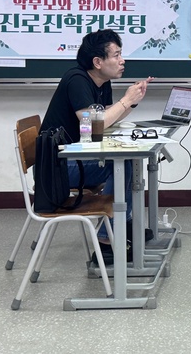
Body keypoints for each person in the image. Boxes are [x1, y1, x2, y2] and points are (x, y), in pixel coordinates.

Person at [40, 28, 154, 264]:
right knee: (120, 165)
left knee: (127, 162)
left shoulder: (102, 81)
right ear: (97, 62)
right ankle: (107, 240)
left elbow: (107, 118)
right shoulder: (77, 80)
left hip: (74, 158)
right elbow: (93, 125)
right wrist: (126, 100)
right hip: (57, 168)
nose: (122, 61)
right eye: (116, 55)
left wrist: (131, 103)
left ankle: (122, 227)